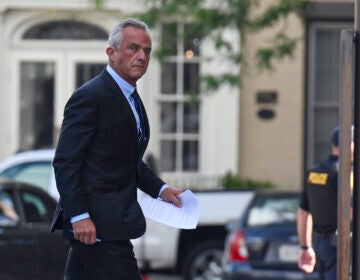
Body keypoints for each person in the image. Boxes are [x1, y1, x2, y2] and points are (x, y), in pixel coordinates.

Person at [50, 18, 183, 280]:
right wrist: (79, 216)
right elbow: (66, 162)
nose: (141, 56)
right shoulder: (91, 96)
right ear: (111, 53)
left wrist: (160, 189)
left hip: (111, 223)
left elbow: (127, 159)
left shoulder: (130, 96)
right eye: (133, 48)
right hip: (97, 227)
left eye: (147, 51)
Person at [297, 126, 353, 280]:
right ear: (350, 144)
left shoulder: (315, 172)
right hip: (341, 245)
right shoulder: (344, 174)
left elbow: (303, 212)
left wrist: (305, 246)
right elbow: (351, 212)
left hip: (320, 243)